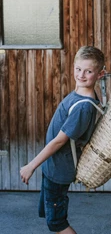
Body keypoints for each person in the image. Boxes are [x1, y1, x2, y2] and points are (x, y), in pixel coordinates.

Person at [20, 46, 105, 234]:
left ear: (100, 74)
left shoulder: (83, 107)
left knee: (57, 223)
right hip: (52, 167)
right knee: (52, 218)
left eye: (89, 71)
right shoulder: (78, 94)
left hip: (59, 170)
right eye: (78, 69)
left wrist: (31, 165)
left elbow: (60, 141)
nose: (81, 75)